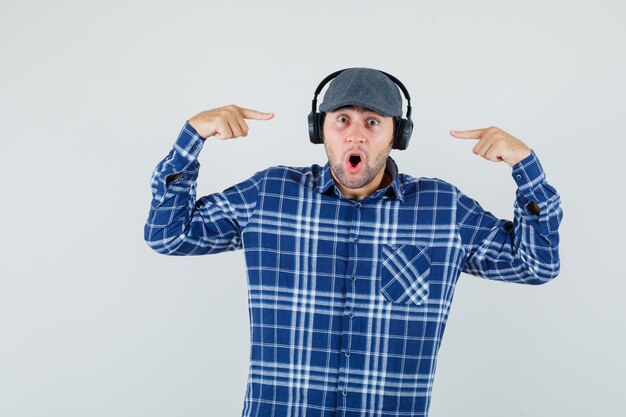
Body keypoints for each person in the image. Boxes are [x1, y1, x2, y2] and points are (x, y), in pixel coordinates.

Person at [144, 67, 562, 417]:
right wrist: (191, 138)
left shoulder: (443, 210)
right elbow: (168, 234)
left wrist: (525, 167)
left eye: (373, 122)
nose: (356, 135)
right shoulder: (269, 195)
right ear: (319, 130)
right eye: (342, 119)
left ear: (397, 134)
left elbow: (535, 265)